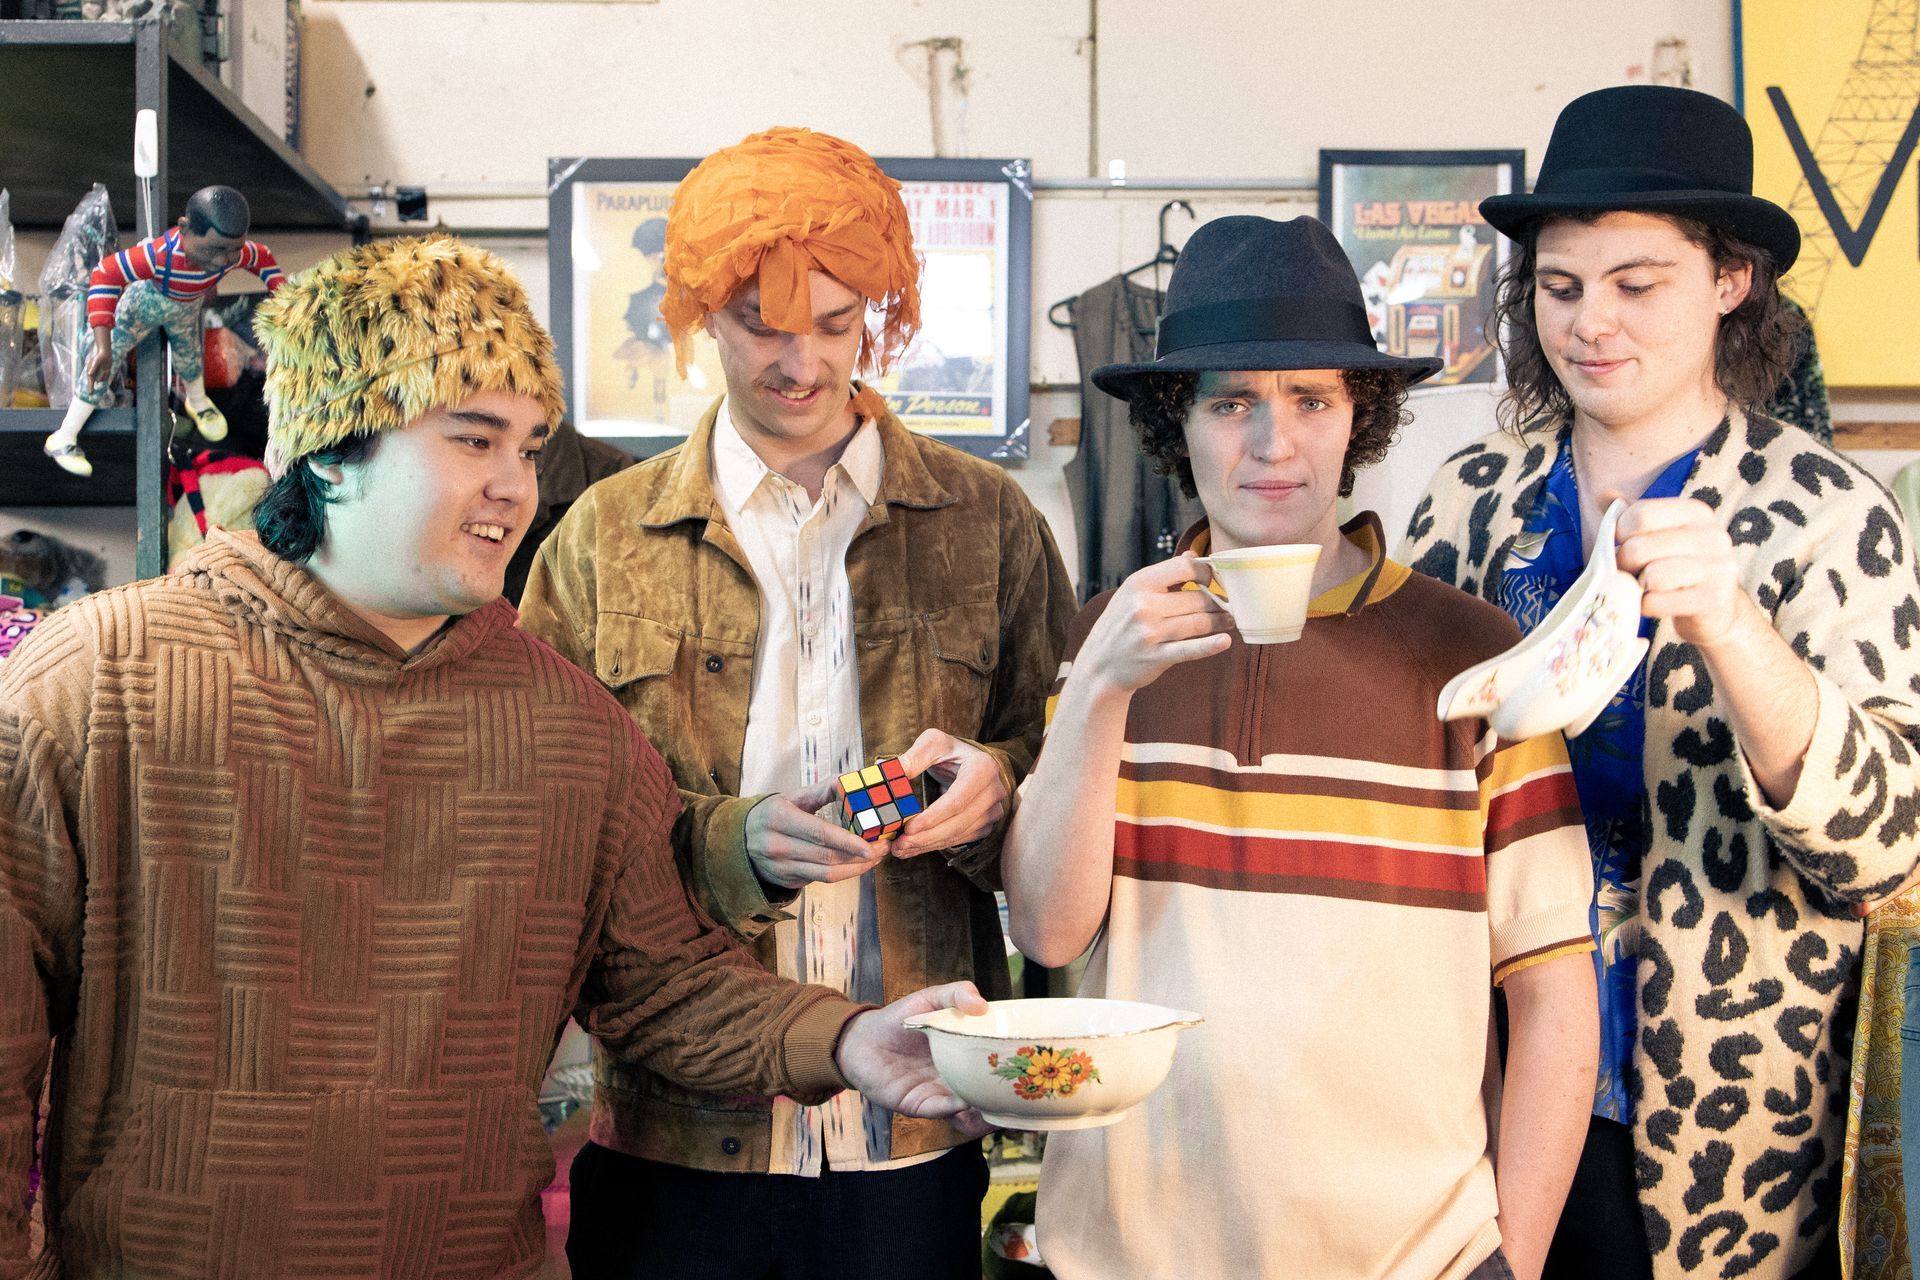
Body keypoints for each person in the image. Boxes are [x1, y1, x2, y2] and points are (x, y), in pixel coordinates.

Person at [0, 234, 983, 1279]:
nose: (516, 485)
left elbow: (663, 981)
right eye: (473, 439)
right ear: (333, 445)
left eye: (529, 445)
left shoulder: (565, 722)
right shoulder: (101, 679)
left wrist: (851, 1041)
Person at [519, 126, 1075, 1280]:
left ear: (877, 313)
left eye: (836, 323)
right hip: (675, 1135)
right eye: (761, 325)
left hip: (915, 1137)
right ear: (701, 318)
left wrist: (1000, 784)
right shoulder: (600, 541)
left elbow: (1064, 756)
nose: (802, 362)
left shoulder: (991, 524)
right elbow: (542, 811)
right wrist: (723, 837)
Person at [1001, 214, 1600, 1280]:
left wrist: (1519, 1254)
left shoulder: (1472, 651)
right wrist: (1098, 686)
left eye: (1310, 399)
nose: (1272, 443)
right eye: (1231, 402)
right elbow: (1051, 927)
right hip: (1120, 1255)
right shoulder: (1109, 634)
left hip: (1419, 1258)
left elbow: (1552, 991)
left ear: (1357, 418)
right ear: (1176, 423)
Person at [1399, 85, 1920, 1280]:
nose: (1593, 324)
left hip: (1727, 1118)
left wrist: (1734, 625)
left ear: (1730, 280)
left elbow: (1887, 846)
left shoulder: (1831, 518)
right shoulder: (1469, 499)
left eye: (1638, 284)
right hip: (1475, 1073)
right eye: (1562, 287)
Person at [42, 184, 284, 477]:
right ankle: (64, 436)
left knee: (190, 357)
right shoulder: (159, 255)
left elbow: (264, 260)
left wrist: (283, 301)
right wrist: (103, 343)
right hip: (141, 307)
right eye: (214, 249)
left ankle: (198, 402)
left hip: (186, 310)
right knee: (102, 367)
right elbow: (106, 274)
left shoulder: (236, 252)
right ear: (184, 228)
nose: (223, 260)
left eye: (233, 250)